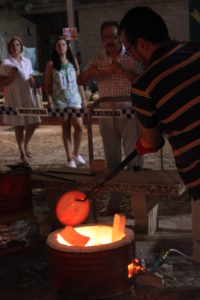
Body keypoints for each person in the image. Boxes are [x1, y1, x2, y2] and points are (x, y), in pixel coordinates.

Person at [119, 6, 200, 262]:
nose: (130, 56)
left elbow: (151, 141)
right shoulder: (196, 51)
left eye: (128, 49)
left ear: (142, 43)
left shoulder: (145, 86)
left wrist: (144, 143)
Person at [77, 20, 143, 214]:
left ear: (120, 36)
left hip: (129, 115)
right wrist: (90, 72)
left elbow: (141, 80)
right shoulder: (97, 59)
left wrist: (122, 69)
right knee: (112, 161)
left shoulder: (132, 57)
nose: (109, 40)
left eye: (113, 36)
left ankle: (137, 204)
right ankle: (113, 204)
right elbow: (80, 80)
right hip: (106, 116)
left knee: (134, 160)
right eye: (105, 37)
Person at [45, 36, 87, 168]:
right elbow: (48, 84)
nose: (61, 47)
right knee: (66, 127)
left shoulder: (72, 61)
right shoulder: (51, 64)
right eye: (58, 45)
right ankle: (69, 158)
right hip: (60, 100)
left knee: (79, 126)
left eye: (63, 44)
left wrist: (84, 98)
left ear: (67, 46)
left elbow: (79, 81)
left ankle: (76, 153)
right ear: (55, 48)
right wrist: (50, 100)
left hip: (74, 98)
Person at [0, 36, 41, 162]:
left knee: (34, 122)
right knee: (19, 125)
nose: (15, 47)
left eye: (17, 45)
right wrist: (11, 75)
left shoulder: (27, 61)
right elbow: (2, 83)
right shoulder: (6, 63)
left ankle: (26, 144)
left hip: (27, 95)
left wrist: (32, 80)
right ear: (9, 48)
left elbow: (29, 77)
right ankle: (22, 151)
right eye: (13, 45)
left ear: (21, 47)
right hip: (15, 96)